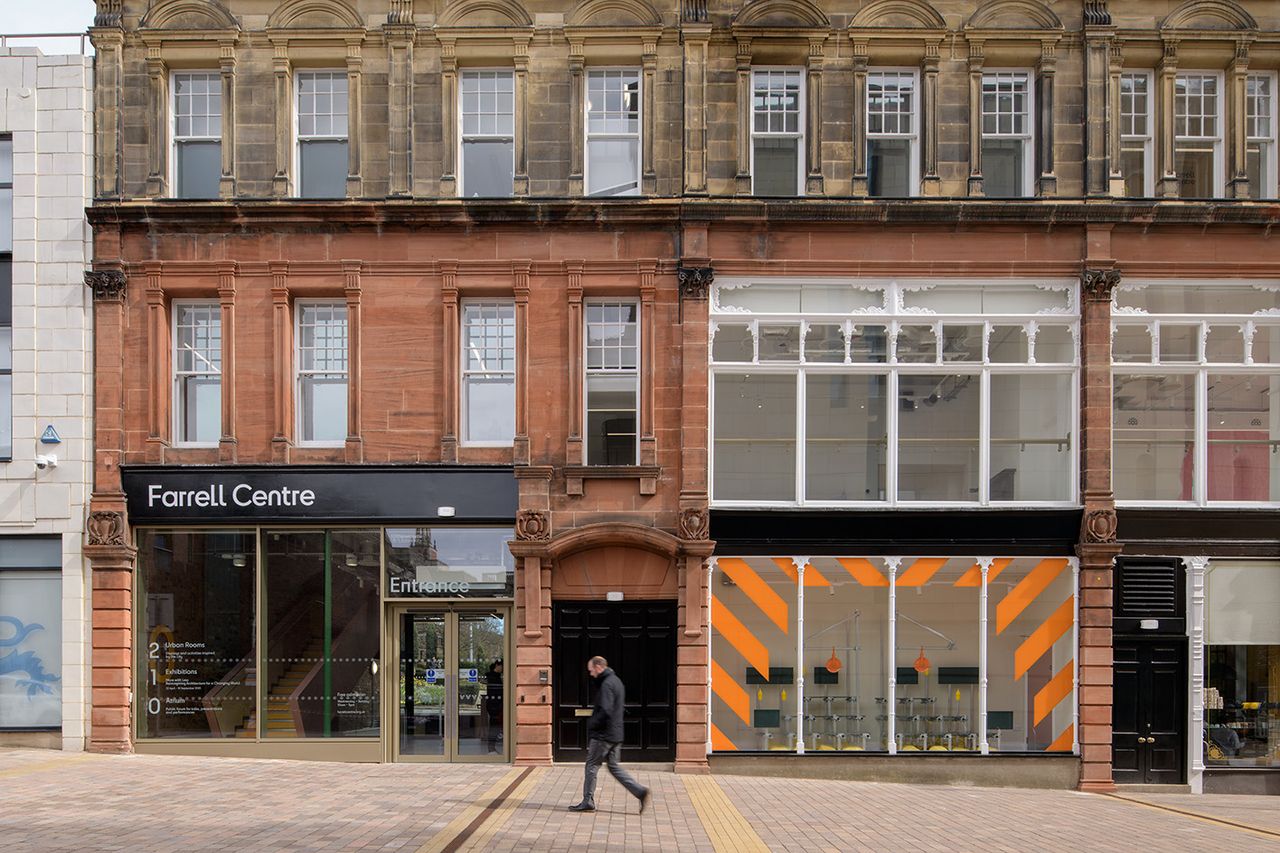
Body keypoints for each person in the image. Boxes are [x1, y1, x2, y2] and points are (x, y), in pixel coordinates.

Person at [568, 656, 651, 814]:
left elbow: (606, 709)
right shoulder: (617, 681)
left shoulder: (606, 684)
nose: (591, 674)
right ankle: (640, 792)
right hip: (616, 734)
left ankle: (588, 801)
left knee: (591, 765)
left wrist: (592, 724)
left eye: (591, 670)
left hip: (603, 735)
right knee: (613, 767)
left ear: (599, 667)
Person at [484, 660, 504, 753]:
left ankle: (492, 748)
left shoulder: (495, 677)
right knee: (494, 727)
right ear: (497, 665)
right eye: (502, 666)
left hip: (495, 705)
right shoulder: (493, 677)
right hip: (495, 706)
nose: (503, 669)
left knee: (495, 727)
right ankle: (491, 748)